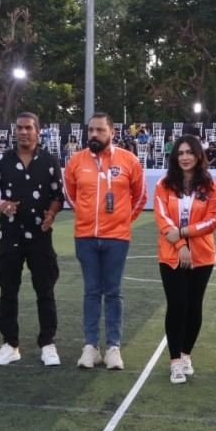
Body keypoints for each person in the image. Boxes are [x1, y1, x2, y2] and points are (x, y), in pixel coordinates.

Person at [0, 111, 64, 366]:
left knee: (45, 291)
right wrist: (1, 203)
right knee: (8, 291)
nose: (23, 132)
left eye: (28, 128)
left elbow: (58, 196)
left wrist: (51, 214)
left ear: (38, 131)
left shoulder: (50, 161)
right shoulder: (1, 161)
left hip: (40, 236)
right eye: (19, 128)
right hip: (11, 236)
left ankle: (47, 344)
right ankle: (10, 344)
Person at [63, 112, 145, 370]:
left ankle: (113, 347)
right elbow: (70, 193)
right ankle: (90, 347)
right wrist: (87, 216)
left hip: (116, 238)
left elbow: (140, 196)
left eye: (100, 130)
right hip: (85, 237)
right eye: (91, 131)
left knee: (113, 292)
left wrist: (121, 221)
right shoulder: (76, 161)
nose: (94, 135)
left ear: (112, 132)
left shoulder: (129, 161)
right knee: (90, 292)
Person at [154, 134, 216, 384]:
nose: (185, 157)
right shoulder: (163, 184)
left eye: (189, 153)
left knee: (194, 306)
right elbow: (163, 219)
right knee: (177, 304)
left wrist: (183, 233)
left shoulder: (211, 186)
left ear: (198, 156)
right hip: (171, 255)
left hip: (202, 255)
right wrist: (181, 244)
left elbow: (214, 220)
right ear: (175, 157)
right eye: (180, 153)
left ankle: (186, 355)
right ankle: (174, 362)